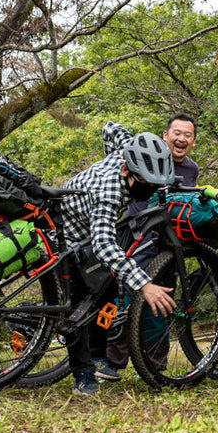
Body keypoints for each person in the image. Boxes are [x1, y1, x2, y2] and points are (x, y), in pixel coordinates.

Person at [59, 123, 179, 395]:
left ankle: (99, 355)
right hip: (68, 236)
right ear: (126, 170)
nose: (149, 190)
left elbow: (110, 127)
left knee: (109, 288)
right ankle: (84, 375)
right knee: (78, 307)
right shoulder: (110, 193)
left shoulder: (128, 151)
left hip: (89, 232)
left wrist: (107, 155)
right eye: (145, 184)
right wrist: (145, 285)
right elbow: (103, 245)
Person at [93, 113, 200, 380]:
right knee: (123, 297)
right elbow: (110, 127)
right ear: (165, 136)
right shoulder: (144, 152)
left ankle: (154, 365)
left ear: (193, 141)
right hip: (136, 235)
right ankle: (112, 362)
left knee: (160, 302)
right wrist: (113, 163)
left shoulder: (191, 169)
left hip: (167, 243)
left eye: (188, 135)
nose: (181, 138)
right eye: (177, 132)